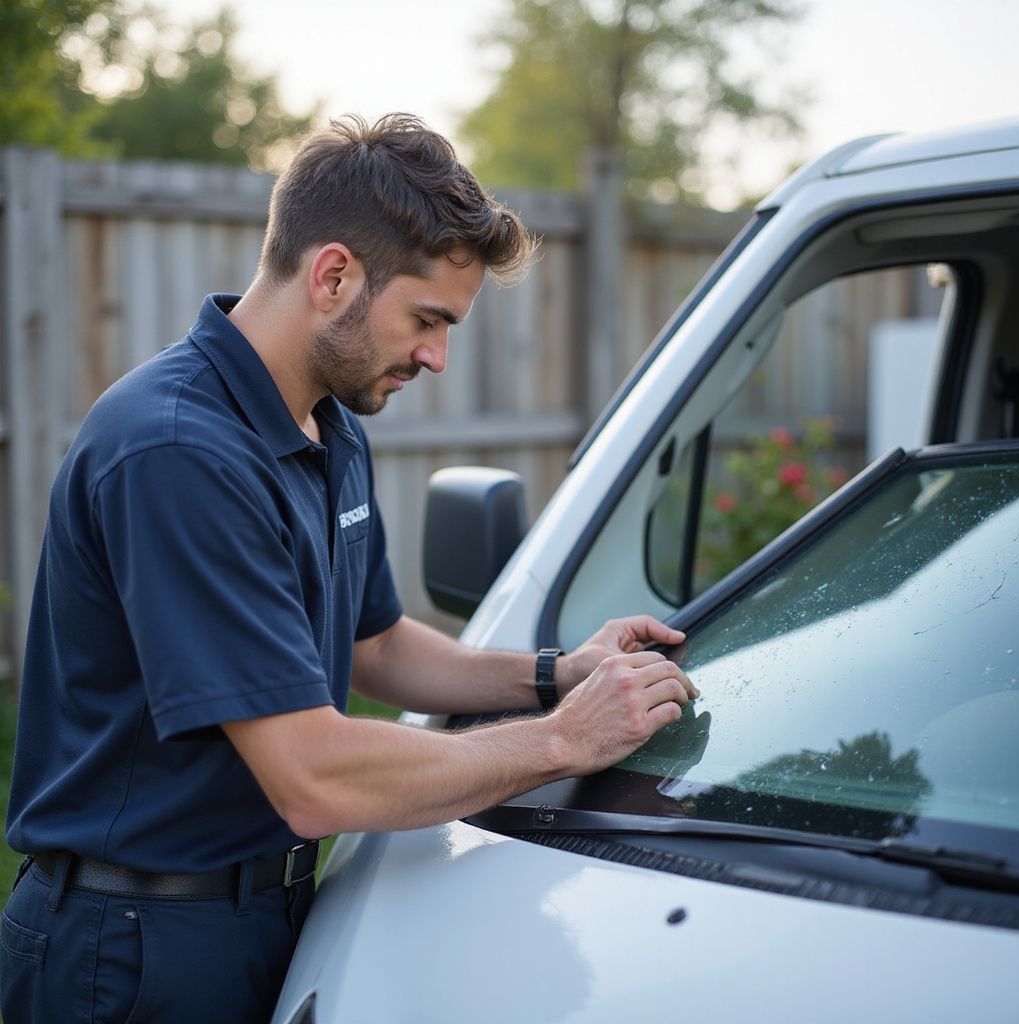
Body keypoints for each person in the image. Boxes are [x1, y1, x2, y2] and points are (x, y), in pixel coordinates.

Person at [1, 114, 697, 1024]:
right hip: (131, 947)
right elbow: (313, 776)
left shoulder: (331, 427)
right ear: (333, 276)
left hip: (265, 914)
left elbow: (375, 644)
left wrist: (552, 675)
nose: (437, 358)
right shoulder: (176, 452)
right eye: (427, 320)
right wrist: (566, 739)